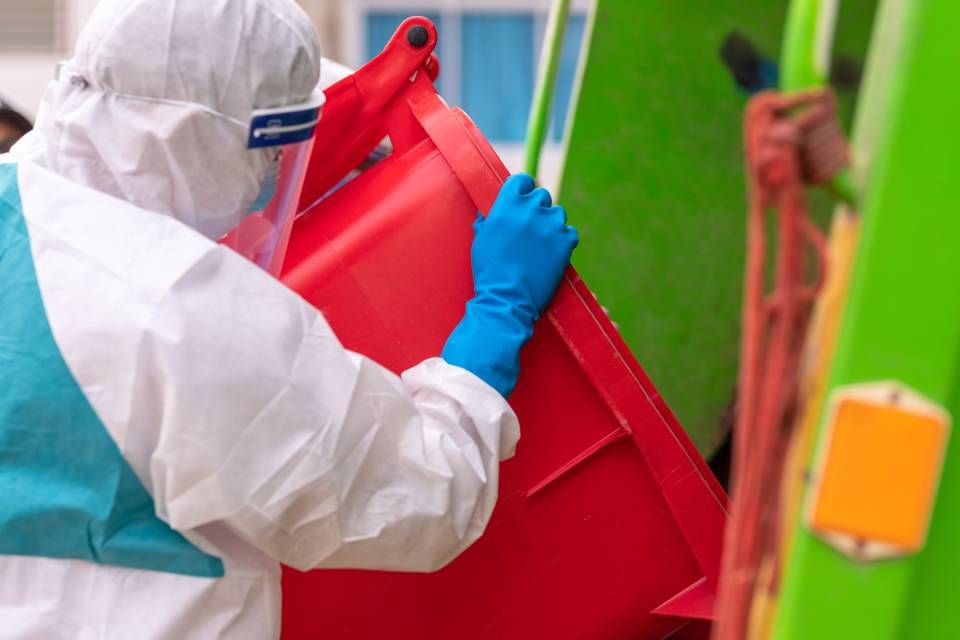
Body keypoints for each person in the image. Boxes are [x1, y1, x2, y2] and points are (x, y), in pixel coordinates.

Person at [0, 0, 577, 638]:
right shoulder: (181, 303)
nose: (276, 174)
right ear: (206, 135)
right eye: (273, 150)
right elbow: (419, 494)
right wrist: (498, 315)